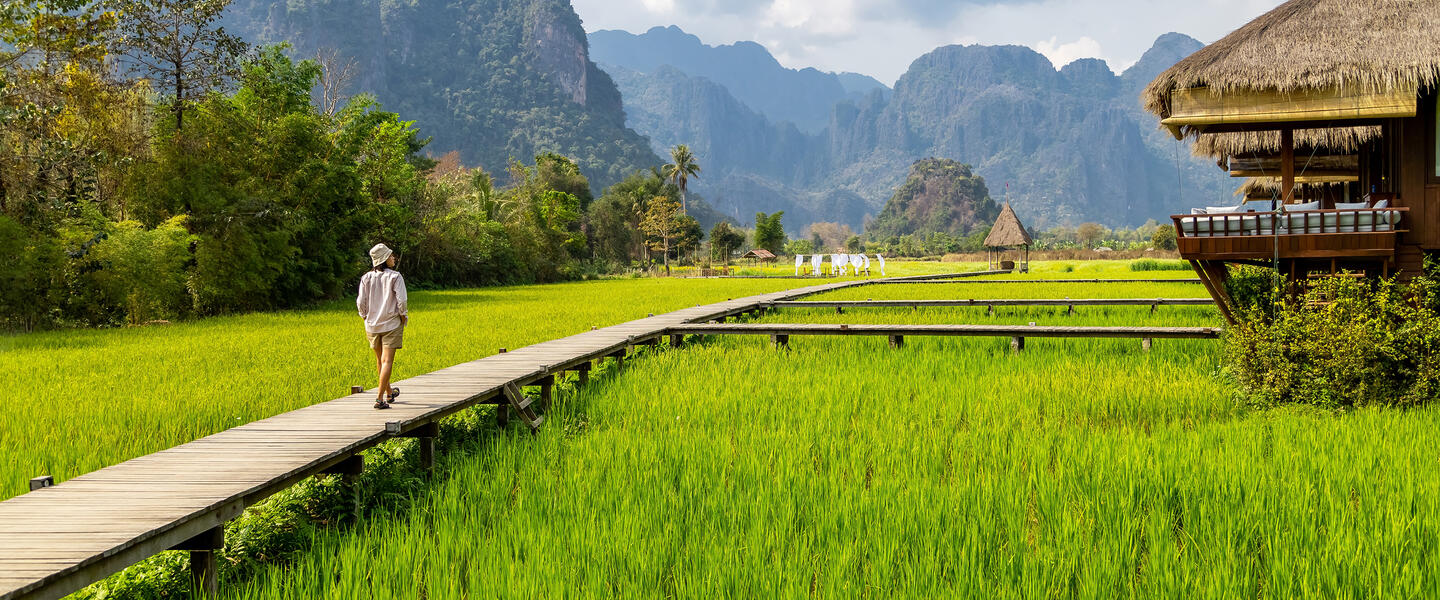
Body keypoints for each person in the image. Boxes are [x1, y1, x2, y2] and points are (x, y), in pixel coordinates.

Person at [357, 243, 408, 409]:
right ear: (385, 259)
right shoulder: (395, 276)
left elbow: (360, 302)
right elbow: (402, 300)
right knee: (387, 361)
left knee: (380, 360)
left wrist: (365, 316)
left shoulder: (366, 278)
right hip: (391, 323)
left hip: (371, 326)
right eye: (391, 256)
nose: (394, 258)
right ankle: (379, 399)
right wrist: (403, 315)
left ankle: (389, 392)